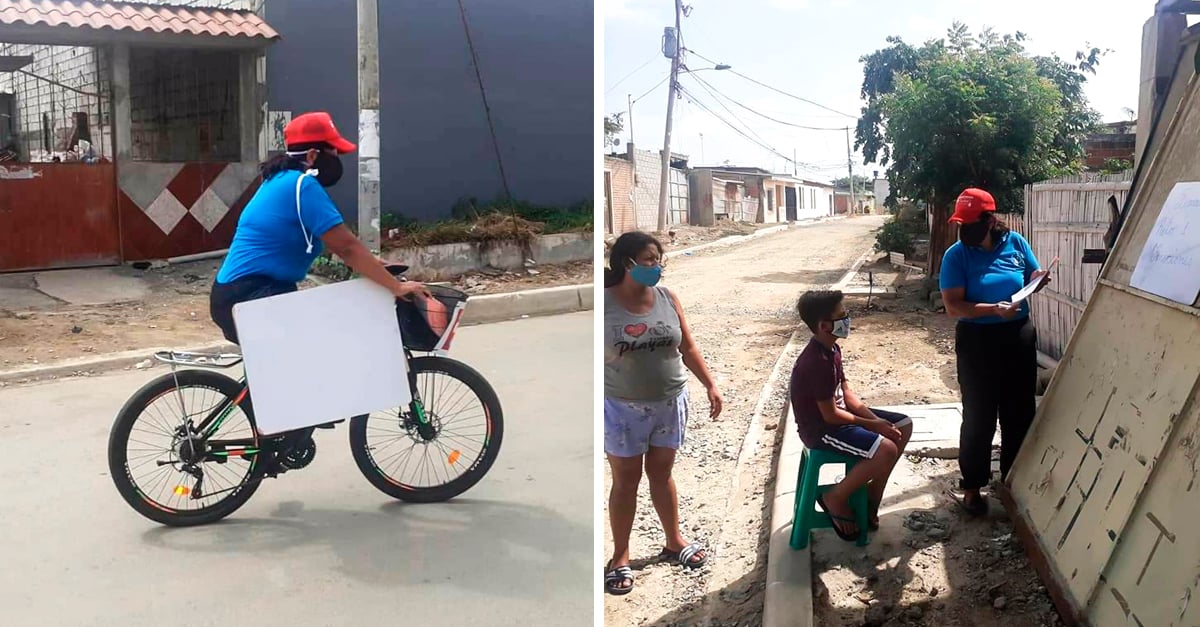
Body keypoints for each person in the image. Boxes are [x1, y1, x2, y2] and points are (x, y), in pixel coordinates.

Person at [210, 111, 429, 345]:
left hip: (244, 293)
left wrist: (373, 264)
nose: (337, 159)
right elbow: (347, 248)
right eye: (334, 152)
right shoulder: (302, 186)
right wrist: (396, 287)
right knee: (323, 344)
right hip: (251, 295)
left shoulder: (280, 179)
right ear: (313, 155)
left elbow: (336, 243)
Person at [603, 231, 723, 595]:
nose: (656, 267)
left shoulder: (668, 298)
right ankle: (620, 556)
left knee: (662, 474)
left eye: (658, 260)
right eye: (649, 260)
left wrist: (710, 384)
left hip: (670, 402)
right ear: (628, 264)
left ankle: (673, 541)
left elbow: (687, 346)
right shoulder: (605, 304)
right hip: (621, 407)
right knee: (626, 481)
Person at [939, 187, 1052, 516]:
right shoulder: (956, 255)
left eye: (971, 223)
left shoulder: (1015, 243)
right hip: (977, 341)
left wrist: (1037, 279)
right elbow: (952, 305)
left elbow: (1030, 273)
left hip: (1017, 335)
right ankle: (973, 487)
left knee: (1019, 412)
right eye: (961, 224)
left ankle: (1013, 481)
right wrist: (990, 309)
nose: (964, 231)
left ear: (990, 221)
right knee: (979, 416)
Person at [789, 290, 912, 540]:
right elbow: (831, 415)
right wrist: (872, 425)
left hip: (839, 417)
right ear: (824, 326)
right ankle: (835, 496)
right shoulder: (816, 361)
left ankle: (871, 499)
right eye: (842, 315)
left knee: (903, 425)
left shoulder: (832, 348)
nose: (848, 319)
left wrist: (876, 422)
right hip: (822, 430)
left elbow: (847, 392)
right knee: (886, 449)